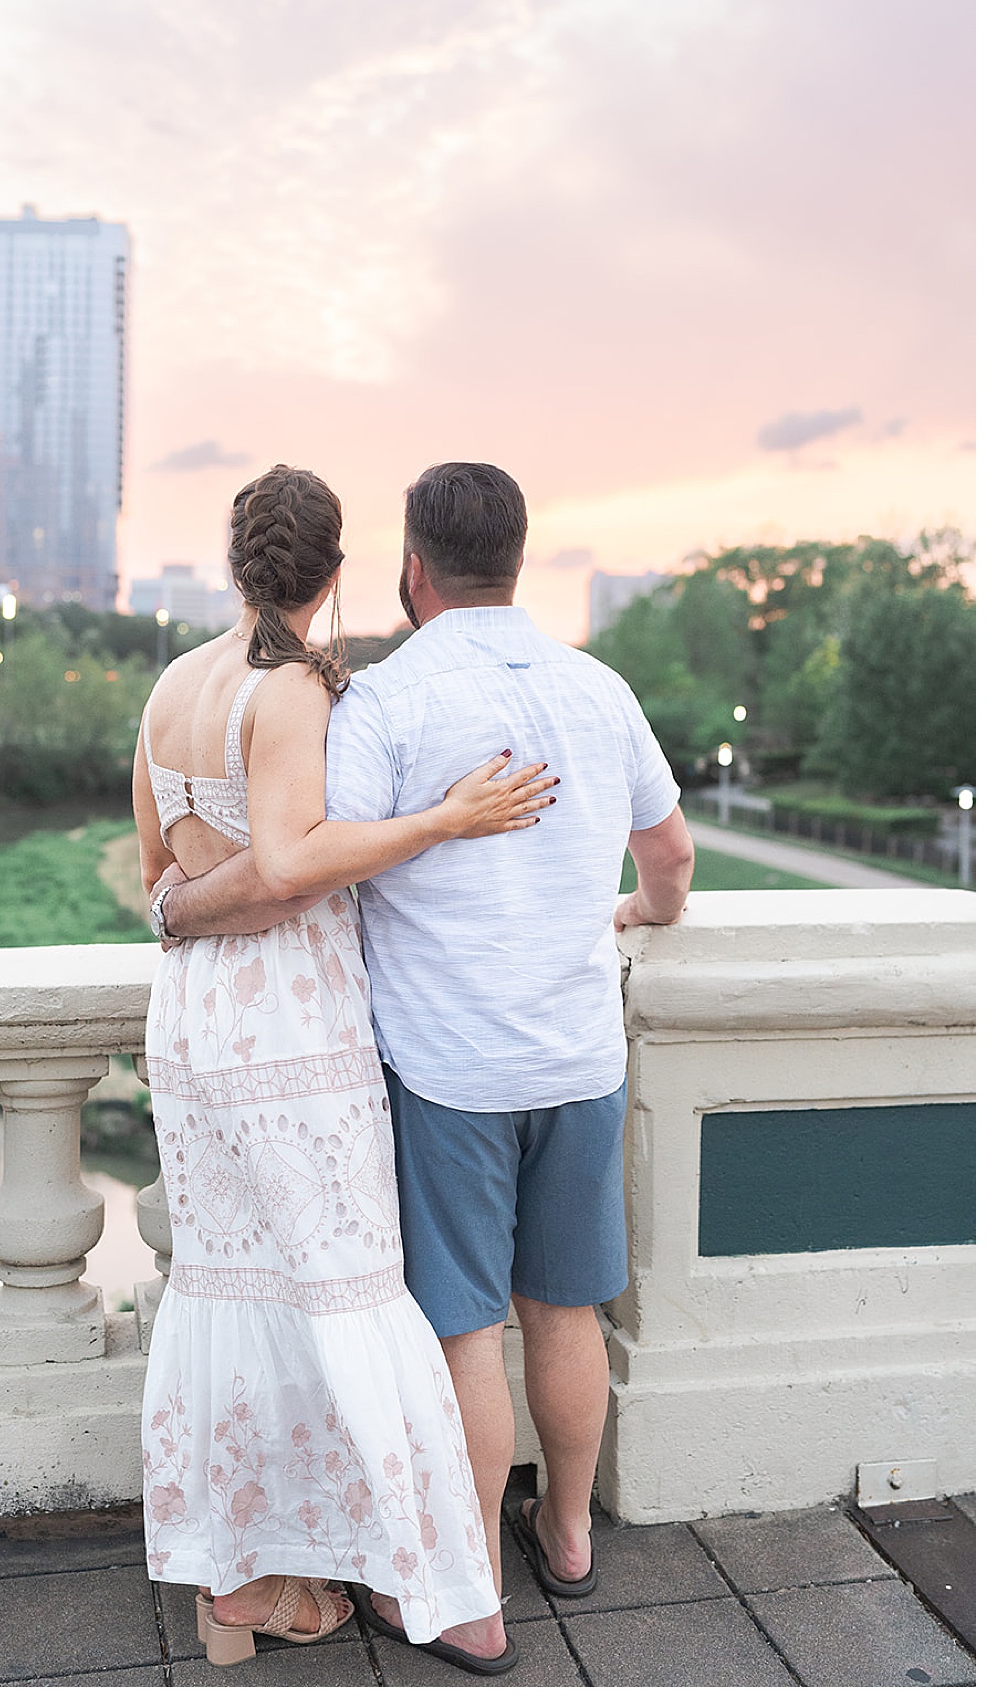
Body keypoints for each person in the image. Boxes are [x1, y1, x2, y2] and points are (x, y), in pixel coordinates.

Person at [155, 460, 694, 1641]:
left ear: (411, 569)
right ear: (519, 557)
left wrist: (183, 903)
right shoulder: (601, 691)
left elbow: (312, 859)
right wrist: (643, 914)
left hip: (447, 1072)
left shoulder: (385, 704)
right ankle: (566, 1533)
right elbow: (672, 858)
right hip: (579, 1059)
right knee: (565, 1310)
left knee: (466, 1332)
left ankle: (470, 1585)